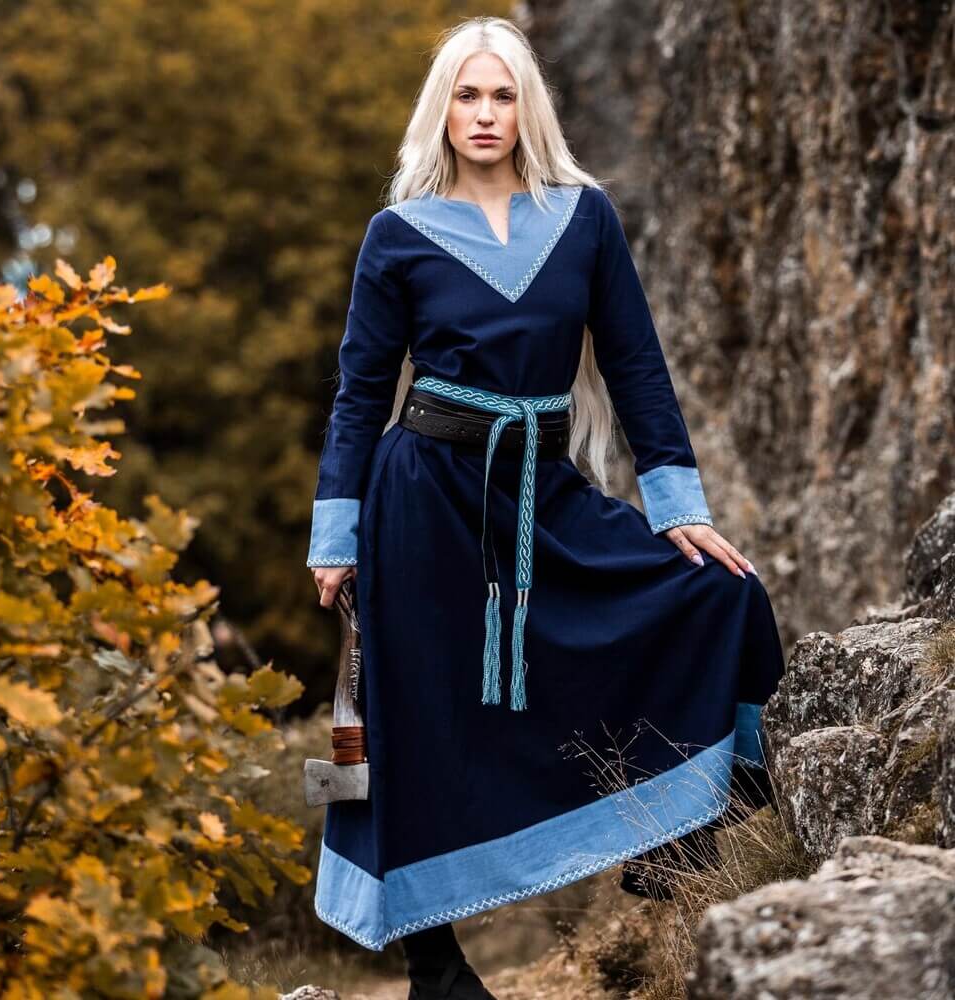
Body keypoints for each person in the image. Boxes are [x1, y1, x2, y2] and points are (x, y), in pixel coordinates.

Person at [306, 15, 785, 1000]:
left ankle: (682, 830)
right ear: (442, 110)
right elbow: (360, 391)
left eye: (503, 94)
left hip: (542, 488)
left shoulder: (583, 217)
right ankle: (432, 964)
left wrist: (675, 505)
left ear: (530, 107)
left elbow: (635, 366)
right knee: (417, 715)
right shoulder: (395, 236)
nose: (484, 114)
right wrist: (336, 534)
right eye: (468, 96)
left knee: (716, 595)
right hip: (421, 498)